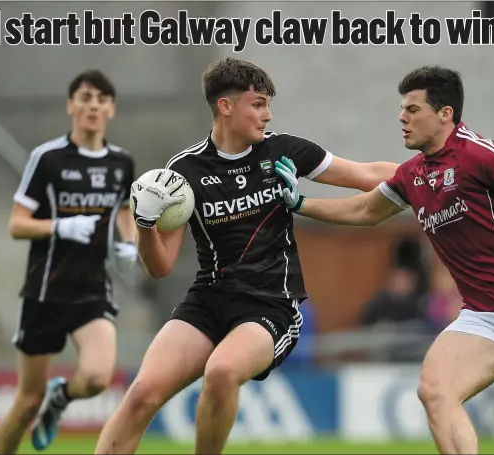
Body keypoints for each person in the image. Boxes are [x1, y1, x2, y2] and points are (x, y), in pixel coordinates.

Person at [274, 65, 494, 454]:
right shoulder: (412, 175)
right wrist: (300, 204)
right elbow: (363, 213)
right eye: (402, 110)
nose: (401, 118)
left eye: (412, 109)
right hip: (484, 319)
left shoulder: (478, 153)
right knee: (435, 391)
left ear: (444, 114)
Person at [93, 57, 398, 454]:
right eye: (258, 104)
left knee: (221, 372)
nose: (267, 115)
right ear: (226, 106)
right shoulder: (182, 171)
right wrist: (146, 225)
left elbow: (365, 174)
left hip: (270, 304)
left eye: (268, 104)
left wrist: (435, 169)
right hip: (209, 299)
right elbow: (160, 267)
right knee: (141, 395)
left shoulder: (284, 152)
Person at [0, 70, 138, 454]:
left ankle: (61, 399)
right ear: (71, 105)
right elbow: (16, 225)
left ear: (112, 109)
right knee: (26, 402)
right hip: (45, 291)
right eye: (86, 97)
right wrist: (60, 226)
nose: (93, 105)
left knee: (96, 378)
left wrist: (129, 243)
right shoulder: (47, 158)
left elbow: (124, 212)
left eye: (102, 99)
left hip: (92, 291)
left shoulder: (122, 163)